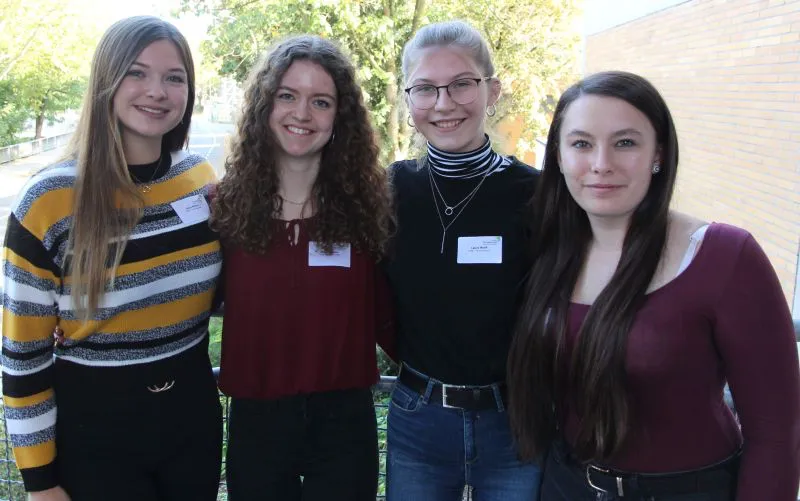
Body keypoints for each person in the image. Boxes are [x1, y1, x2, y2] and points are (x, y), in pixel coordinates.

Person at [507, 70, 800, 501]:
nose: (601, 163)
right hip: (567, 485)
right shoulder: (548, 250)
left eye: (625, 142)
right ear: (559, 156)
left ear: (658, 154)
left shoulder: (725, 257)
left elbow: (776, 433)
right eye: (581, 143)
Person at [1, 15, 223, 501]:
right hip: (95, 437)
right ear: (106, 80)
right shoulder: (48, 201)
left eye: (174, 77)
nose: (157, 91)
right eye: (137, 73)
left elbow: (217, 294)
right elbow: (23, 358)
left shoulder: (200, 180)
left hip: (193, 424)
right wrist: (41, 483)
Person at [211, 35, 394, 501]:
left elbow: (396, 313)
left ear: (341, 116)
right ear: (265, 105)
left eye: (321, 101)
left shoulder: (370, 211)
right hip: (257, 421)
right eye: (287, 96)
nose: (302, 113)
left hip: (344, 426)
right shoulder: (223, 209)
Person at [383, 20, 541, 501]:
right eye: (426, 88)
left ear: (492, 90)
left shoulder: (537, 195)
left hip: (515, 421)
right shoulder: (391, 191)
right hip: (418, 419)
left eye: (461, 84)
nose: (444, 103)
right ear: (409, 100)